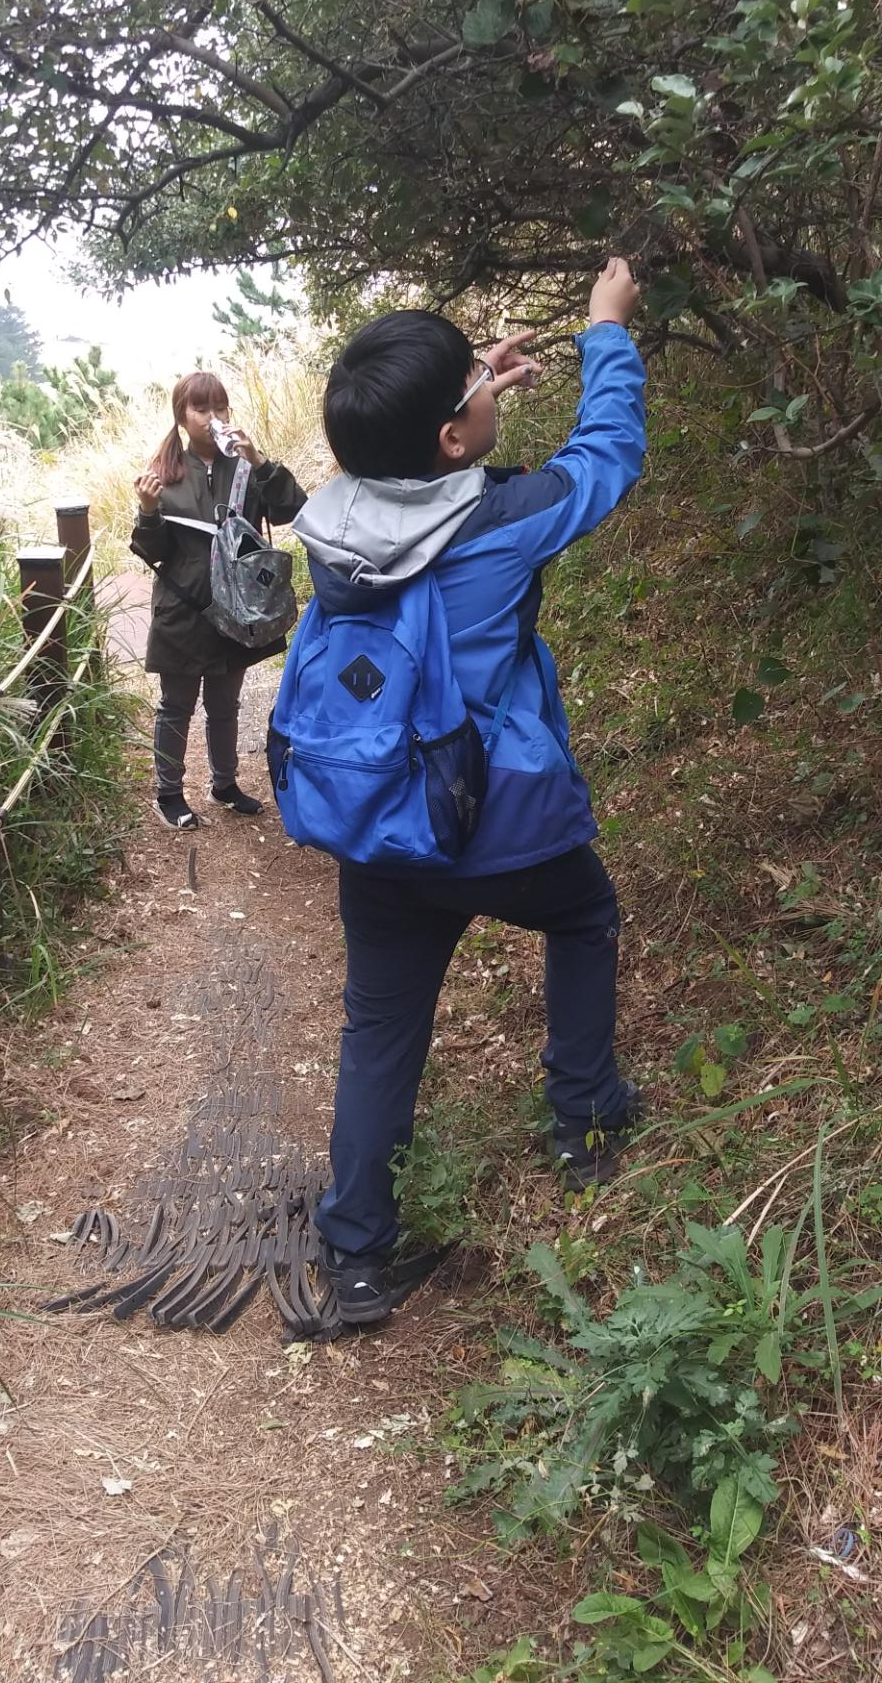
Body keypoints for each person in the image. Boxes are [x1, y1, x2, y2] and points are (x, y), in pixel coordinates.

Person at [290, 259, 646, 1326]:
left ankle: (357, 1254)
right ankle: (585, 1119)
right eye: (475, 393)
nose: (490, 389)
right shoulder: (505, 519)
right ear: (453, 439)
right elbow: (607, 455)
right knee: (582, 914)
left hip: (380, 825)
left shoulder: (332, 530)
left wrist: (464, 390)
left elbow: (399, 468)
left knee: (378, 1027)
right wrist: (605, 329)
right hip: (496, 822)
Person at [132, 371, 307, 830]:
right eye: (201, 409)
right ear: (182, 417)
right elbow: (153, 551)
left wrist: (260, 461)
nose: (213, 417)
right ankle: (169, 794)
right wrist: (147, 512)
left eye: (220, 407)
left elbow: (292, 509)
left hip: (236, 607)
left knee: (225, 703)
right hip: (183, 607)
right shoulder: (164, 474)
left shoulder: (244, 467)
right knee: (176, 705)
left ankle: (224, 784)